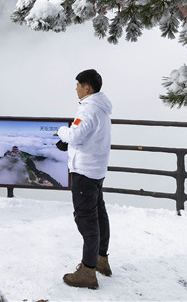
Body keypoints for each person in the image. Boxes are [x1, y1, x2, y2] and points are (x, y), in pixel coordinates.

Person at [56, 69, 113, 289]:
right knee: (99, 214)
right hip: (96, 169)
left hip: (85, 171)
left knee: (86, 220)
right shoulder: (101, 108)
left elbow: (76, 134)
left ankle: (88, 272)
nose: (76, 89)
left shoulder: (89, 110)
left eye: (78, 85)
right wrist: (69, 141)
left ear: (86, 87)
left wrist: (62, 131)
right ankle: (101, 260)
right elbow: (86, 136)